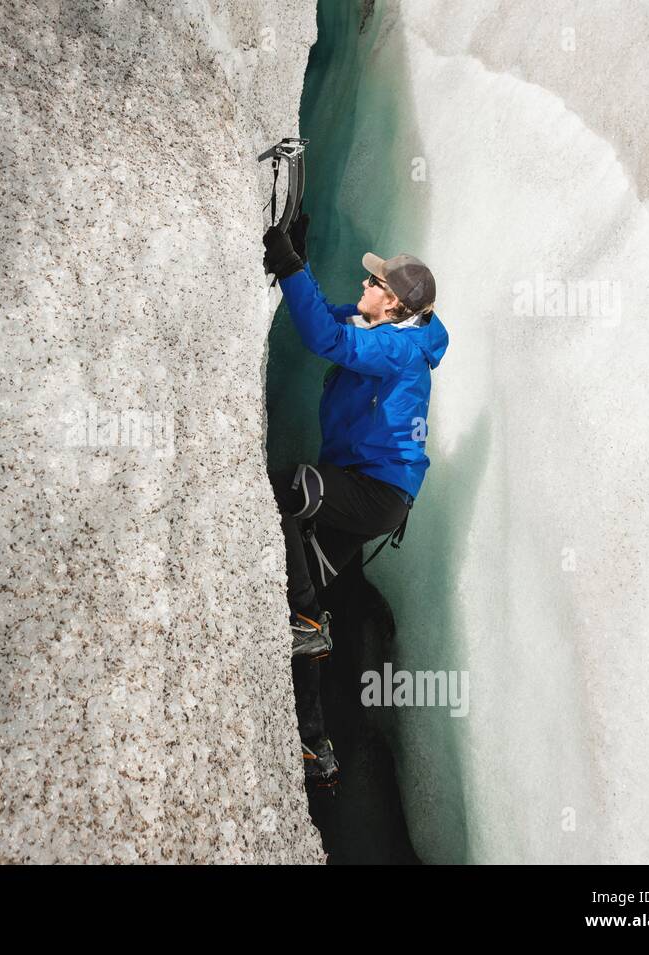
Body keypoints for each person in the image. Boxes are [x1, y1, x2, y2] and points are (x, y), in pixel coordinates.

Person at [262, 214, 449, 786]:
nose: (364, 285)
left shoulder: (396, 348)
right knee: (309, 595)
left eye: (376, 284)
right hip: (371, 493)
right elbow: (331, 317)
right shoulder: (387, 332)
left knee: (280, 488)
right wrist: (298, 265)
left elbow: (325, 339)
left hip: (373, 492)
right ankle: (315, 747)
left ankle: (304, 618)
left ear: (393, 305)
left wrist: (290, 265)